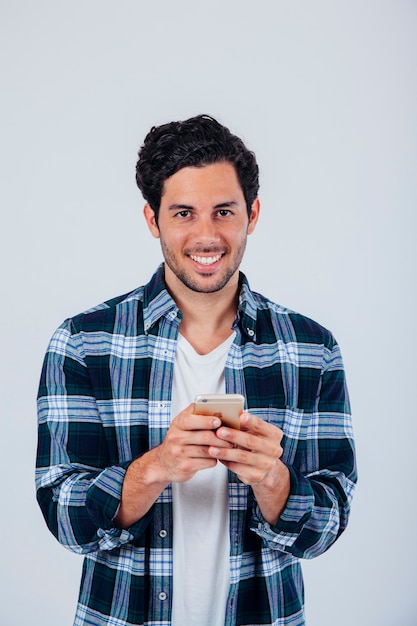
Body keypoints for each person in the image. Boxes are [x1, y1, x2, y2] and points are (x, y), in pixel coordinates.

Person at [36, 114, 357, 626]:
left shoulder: (311, 349)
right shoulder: (81, 343)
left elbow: (328, 523)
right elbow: (65, 517)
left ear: (252, 215)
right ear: (152, 219)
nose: (206, 236)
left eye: (223, 211)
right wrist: (156, 467)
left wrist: (273, 480)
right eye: (183, 213)